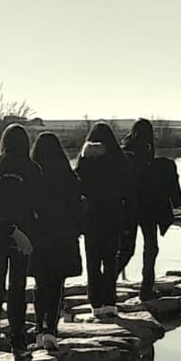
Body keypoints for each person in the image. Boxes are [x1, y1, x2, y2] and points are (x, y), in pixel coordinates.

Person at [0, 125, 40, 361]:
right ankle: (19, 343)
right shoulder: (32, 169)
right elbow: (38, 205)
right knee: (17, 289)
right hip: (23, 236)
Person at [28, 130, 84, 352]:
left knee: (40, 284)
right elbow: (79, 208)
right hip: (63, 237)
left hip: (39, 236)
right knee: (57, 285)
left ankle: (39, 330)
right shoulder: (68, 176)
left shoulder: (32, 175)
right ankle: (51, 329)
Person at [119, 119, 181, 302]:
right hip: (148, 208)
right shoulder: (144, 151)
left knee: (126, 249)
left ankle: (107, 288)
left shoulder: (126, 150)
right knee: (150, 247)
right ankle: (146, 288)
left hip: (131, 208)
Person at [75, 122, 132, 316]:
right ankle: (110, 302)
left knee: (92, 261)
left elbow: (77, 186)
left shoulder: (84, 158)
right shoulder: (118, 158)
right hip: (113, 216)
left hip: (91, 217)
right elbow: (127, 188)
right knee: (110, 261)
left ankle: (95, 303)